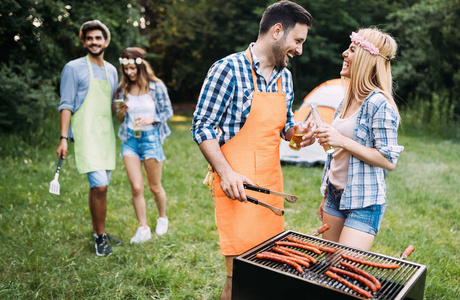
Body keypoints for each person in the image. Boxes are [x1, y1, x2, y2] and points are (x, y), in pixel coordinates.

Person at [191, 1, 314, 299]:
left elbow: (285, 126)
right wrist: (226, 173)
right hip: (237, 184)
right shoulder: (227, 69)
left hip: (271, 184)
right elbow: (202, 126)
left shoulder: (285, 75)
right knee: (239, 279)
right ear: (277, 31)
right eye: (297, 41)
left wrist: (297, 134)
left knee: (268, 272)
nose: (299, 50)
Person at [316, 28, 404, 251]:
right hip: (335, 196)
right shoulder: (347, 100)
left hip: (364, 203)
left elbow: (388, 160)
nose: (345, 53)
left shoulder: (379, 103)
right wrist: (327, 194)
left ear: (366, 59)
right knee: (331, 270)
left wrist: (342, 140)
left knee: (346, 271)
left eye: (352, 50)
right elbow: (337, 155)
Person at [56, 20, 121, 256]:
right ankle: (100, 238)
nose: (94, 42)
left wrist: (122, 111)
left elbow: (113, 106)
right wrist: (63, 137)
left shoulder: (113, 70)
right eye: (89, 38)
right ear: (83, 41)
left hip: (106, 135)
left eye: (98, 38)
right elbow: (66, 105)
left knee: (100, 189)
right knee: (100, 186)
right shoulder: (73, 68)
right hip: (86, 134)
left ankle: (98, 231)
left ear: (106, 41)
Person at [114, 47, 173, 243]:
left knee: (154, 187)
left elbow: (168, 112)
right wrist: (121, 111)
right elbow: (120, 119)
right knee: (136, 188)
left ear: (140, 67)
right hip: (130, 140)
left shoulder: (156, 86)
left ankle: (162, 217)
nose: (129, 72)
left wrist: (151, 119)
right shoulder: (122, 89)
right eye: (126, 69)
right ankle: (143, 228)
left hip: (151, 140)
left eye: (132, 68)